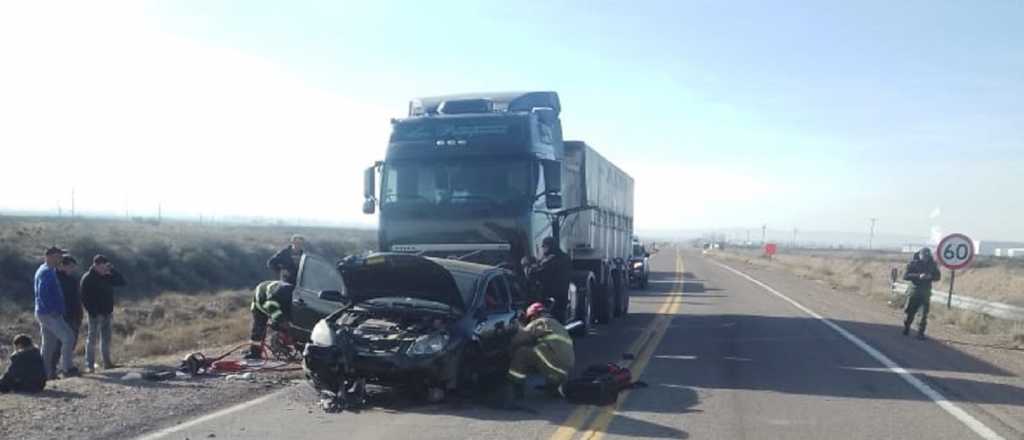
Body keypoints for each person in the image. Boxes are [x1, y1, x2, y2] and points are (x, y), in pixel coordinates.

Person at [504, 302, 575, 401]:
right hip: (565, 371)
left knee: (522, 353)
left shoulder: (539, 322)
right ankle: (553, 387)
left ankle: (516, 391)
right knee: (543, 351)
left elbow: (519, 339)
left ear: (534, 315)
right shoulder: (557, 324)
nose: (529, 321)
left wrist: (509, 350)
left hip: (554, 365)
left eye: (529, 319)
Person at [34, 246, 78, 379]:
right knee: (68, 337)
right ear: (50, 257)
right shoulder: (46, 272)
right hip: (49, 314)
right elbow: (42, 293)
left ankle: (44, 374)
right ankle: (67, 368)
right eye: (58, 257)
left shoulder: (46, 269)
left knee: (49, 344)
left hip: (44, 313)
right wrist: (52, 310)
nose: (61, 259)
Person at [80, 254, 126, 372]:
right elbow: (84, 298)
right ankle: (89, 366)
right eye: (102, 266)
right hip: (95, 314)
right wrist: (93, 312)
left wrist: (112, 270)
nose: (104, 269)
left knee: (106, 339)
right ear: (95, 265)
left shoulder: (107, 276)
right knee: (92, 339)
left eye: (105, 266)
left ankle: (107, 363)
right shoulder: (88, 278)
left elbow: (122, 282)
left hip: (107, 312)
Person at [245, 273, 296, 360]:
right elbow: (269, 306)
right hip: (260, 301)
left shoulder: (292, 292)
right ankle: (255, 353)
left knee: (282, 323)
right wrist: (281, 321)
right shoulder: (277, 294)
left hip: (278, 300)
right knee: (258, 329)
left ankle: (281, 340)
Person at [50, 255, 84, 375]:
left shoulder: (72, 279)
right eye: (71, 266)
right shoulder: (54, 278)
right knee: (59, 344)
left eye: (74, 267)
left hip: (74, 315)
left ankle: (66, 366)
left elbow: (77, 298)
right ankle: (54, 369)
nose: (72, 269)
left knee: (71, 343)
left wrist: (80, 313)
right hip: (62, 316)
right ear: (63, 265)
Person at [528, 237, 573, 319]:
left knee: (551, 320)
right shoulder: (565, 257)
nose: (543, 249)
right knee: (560, 318)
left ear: (549, 246)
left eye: (544, 247)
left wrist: (532, 267)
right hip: (562, 295)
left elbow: (536, 274)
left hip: (551, 298)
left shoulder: (550, 260)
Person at [903, 247, 942, 339]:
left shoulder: (932, 264)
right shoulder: (913, 263)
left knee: (923, 314)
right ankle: (907, 327)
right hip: (913, 292)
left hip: (925, 293)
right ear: (920, 255)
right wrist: (918, 276)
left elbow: (937, 276)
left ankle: (920, 333)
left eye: (927, 256)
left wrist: (930, 276)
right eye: (924, 256)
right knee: (910, 313)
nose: (925, 258)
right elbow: (905, 276)